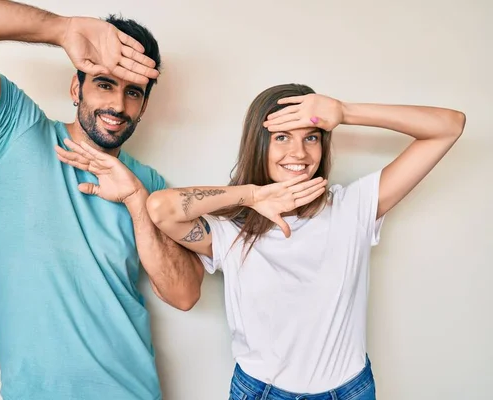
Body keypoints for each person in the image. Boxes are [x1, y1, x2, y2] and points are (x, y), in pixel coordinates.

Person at [0, 0, 203, 399]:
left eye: (133, 92)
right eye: (104, 82)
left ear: (144, 106)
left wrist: (136, 199)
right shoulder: (14, 132)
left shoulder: (149, 185)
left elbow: (184, 294)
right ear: (75, 87)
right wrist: (61, 30)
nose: (118, 105)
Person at [143, 83, 466, 399]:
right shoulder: (230, 228)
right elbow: (161, 208)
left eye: (311, 137)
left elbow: (449, 127)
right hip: (261, 392)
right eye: (282, 137)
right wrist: (253, 195)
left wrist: (344, 111)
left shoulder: (352, 207)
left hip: (350, 389)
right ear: (258, 145)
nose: (299, 153)